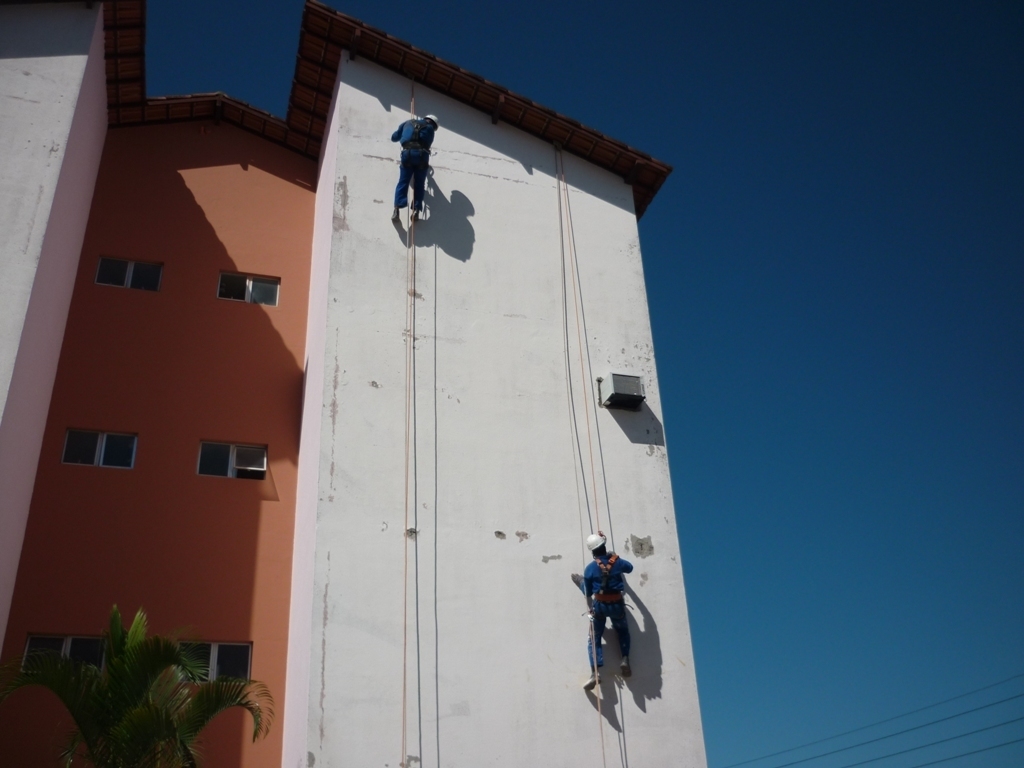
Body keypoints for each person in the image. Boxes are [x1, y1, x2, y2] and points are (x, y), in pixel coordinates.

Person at [571, 532, 633, 690]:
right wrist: (615, 557)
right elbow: (630, 568)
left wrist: (580, 582)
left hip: (600, 606)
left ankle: (595, 672)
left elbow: (588, 592)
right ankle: (625, 658)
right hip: (617, 604)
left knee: (594, 638)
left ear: (592, 552)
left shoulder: (590, 569)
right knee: (622, 631)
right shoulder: (617, 562)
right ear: (604, 546)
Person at [391, 114, 439, 221]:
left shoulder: (407, 123)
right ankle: (416, 210)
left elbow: (394, 138)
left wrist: (405, 130)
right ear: (434, 124)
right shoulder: (430, 129)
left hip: (407, 154)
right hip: (422, 156)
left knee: (403, 181)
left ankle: (396, 209)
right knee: (419, 183)